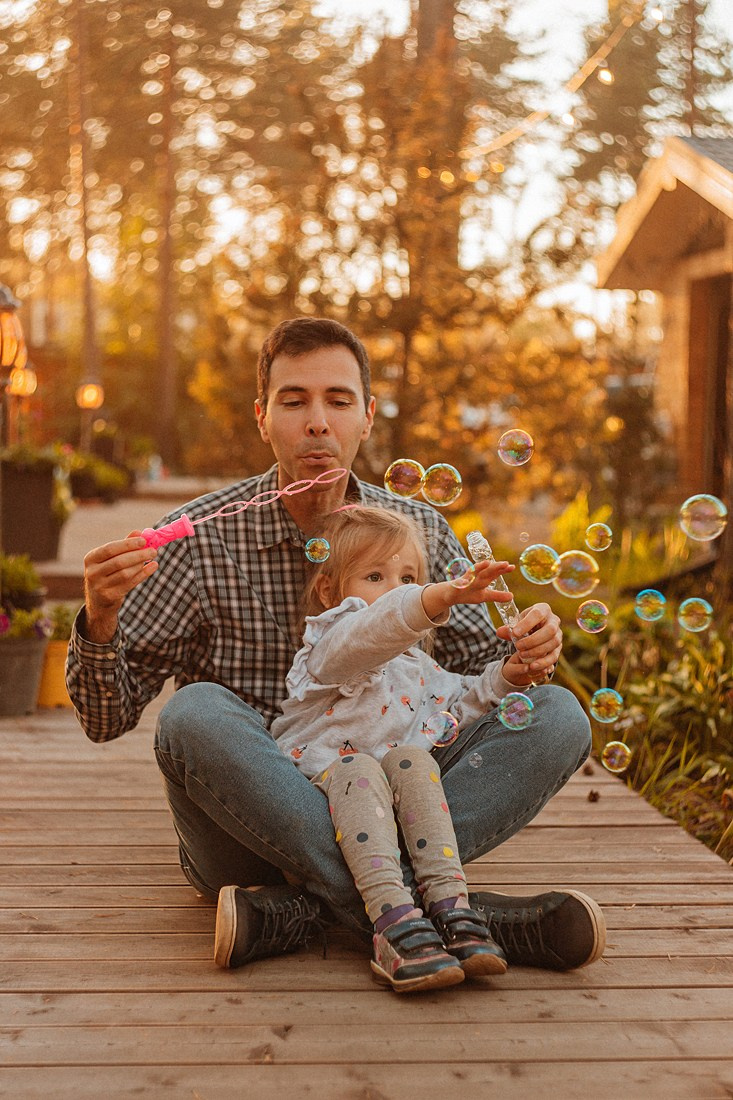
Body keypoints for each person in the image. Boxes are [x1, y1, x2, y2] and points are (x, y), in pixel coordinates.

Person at [67, 316, 605, 975]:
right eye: (294, 401)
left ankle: (303, 915)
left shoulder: (417, 528)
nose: (317, 421)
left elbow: (478, 674)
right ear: (262, 417)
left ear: (368, 417)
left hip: (395, 794)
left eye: (337, 400)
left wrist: (524, 655)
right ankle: (464, 914)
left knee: (557, 715)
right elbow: (104, 718)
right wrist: (99, 618)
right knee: (194, 713)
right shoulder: (199, 541)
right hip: (248, 837)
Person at [269, 504, 534, 993]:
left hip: (389, 811)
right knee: (360, 769)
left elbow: (462, 701)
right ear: (330, 590)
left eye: (409, 576)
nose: (398, 590)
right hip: (317, 802)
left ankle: (450, 906)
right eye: (376, 575)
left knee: (411, 760)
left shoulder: (414, 665)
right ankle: (391, 920)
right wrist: (430, 598)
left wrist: (510, 674)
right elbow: (367, 637)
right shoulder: (328, 642)